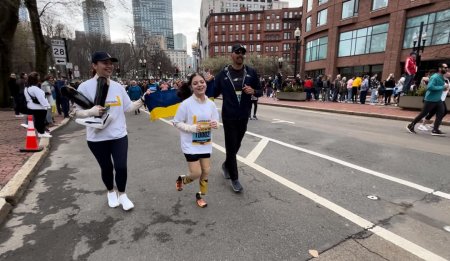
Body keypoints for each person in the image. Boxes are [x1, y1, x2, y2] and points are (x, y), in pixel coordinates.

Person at [73, 51, 150, 211]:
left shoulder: (118, 87)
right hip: (96, 138)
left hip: (118, 135)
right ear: (94, 65)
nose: (109, 66)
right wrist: (90, 112)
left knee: (121, 167)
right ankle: (110, 192)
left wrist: (143, 99)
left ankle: (122, 194)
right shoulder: (85, 87)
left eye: (111, 63)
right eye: (104, 63)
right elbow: (75, 112)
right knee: (106, 167)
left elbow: (128, 107)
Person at [213, 43, 262, 192]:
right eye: (237, 52)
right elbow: (213, 93)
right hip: (228, 116)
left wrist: (253, 90)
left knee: (236, 145)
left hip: (243, 116)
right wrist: (206, 83)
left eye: (242, 52)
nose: (240, 54)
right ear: (232, 55)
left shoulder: (251, 72)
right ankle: (235, 179)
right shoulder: (223, 74)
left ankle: (226, 165)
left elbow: (260, 91)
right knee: (230, 146)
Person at [173, 73, 219, 208]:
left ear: (205, 83)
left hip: (205, 143)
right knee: (196, 173)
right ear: (191, 87)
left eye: (202, 82)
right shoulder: (186, 104)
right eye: (195, 83)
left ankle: (200, 195)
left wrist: (215, 124)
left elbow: (215, 120)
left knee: (206, 171)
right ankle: (182, 179)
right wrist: (191, 128)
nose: (199, 85)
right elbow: (176, 122)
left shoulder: (210, 104)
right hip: (190, 145)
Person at [406, 63, 449, 136]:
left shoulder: (442, 77)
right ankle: (411, 125)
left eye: (447, 67)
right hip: (430, 99)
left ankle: (435, 130)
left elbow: (440, 87)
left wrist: (444, 89)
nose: (446, 69)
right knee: (423, 114)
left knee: (442, 112)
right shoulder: (435, 77)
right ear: (439, 69)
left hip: (438, 100)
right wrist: (442, 88)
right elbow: (429, 87)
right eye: (444, 67)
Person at [24, 72, 52, 138]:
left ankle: (41, 132)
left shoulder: (27, 88)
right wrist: (47, 105)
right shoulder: (35, 89)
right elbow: (41, 98)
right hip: (39, 107)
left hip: (31, 105)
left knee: (38, 120)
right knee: (40, 120)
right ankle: (41, 132)